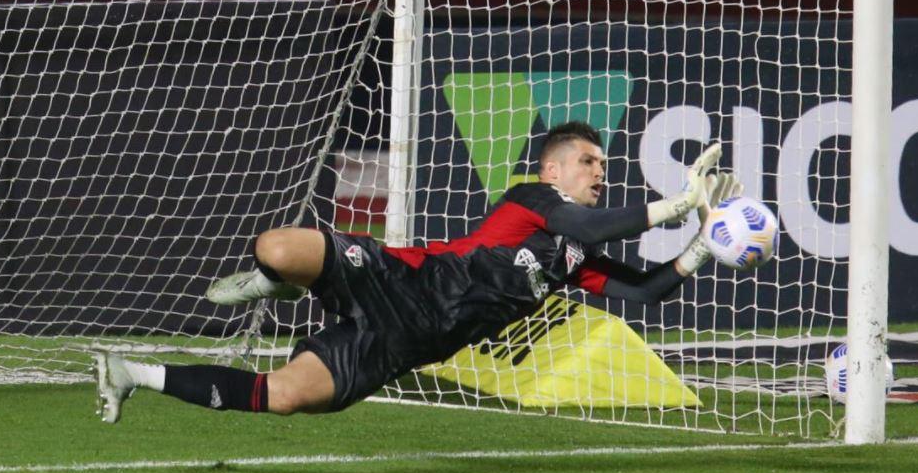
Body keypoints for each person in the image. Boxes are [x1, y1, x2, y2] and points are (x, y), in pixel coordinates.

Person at [92, 121, 740, 423]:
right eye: (589, 162)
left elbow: (648, 289)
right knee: (277, 246)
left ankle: (133, 373)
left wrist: (704, 244)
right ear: (553, 170)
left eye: (602, 165)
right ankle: (279, 282)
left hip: (402, 345)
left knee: (284, 396)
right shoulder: (531, 202)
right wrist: (679, 203)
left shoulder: (574, 260)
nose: (601, 172)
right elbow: (592, 225)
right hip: (399, 279)